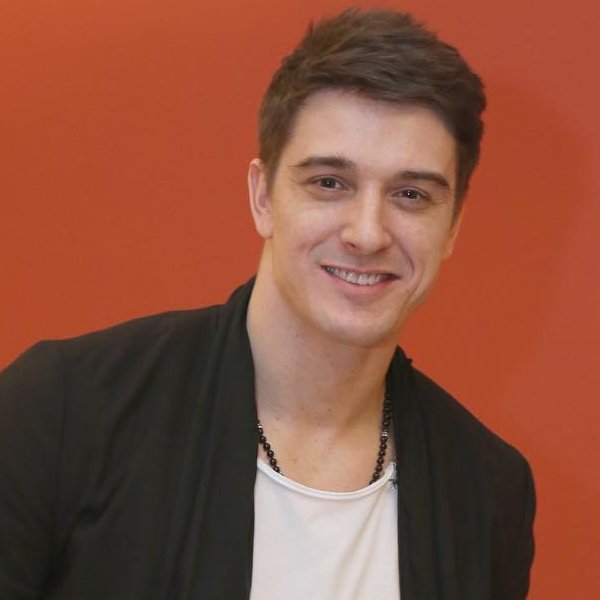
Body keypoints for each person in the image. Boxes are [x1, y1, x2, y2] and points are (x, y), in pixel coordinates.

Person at [0, 8, 535, 600]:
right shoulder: (63, 412)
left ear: (453, 226)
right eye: (329, 182)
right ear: (262, 196)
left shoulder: (489, 491)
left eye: (411, 195)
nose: (367, 233)